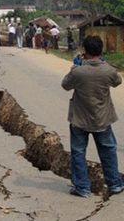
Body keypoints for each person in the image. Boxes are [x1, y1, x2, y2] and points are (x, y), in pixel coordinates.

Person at [62, 36, 123, 198]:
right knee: (108, 151)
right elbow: (117, 81)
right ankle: (115, 184)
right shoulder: (108, 70)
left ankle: (82, 187)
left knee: (78, 152)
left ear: (84, 51)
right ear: (101, 50)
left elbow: (65, 85)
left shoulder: (78, 71)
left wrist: (76, 66)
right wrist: (103, 63)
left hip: (79, 119)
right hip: (102, 118)